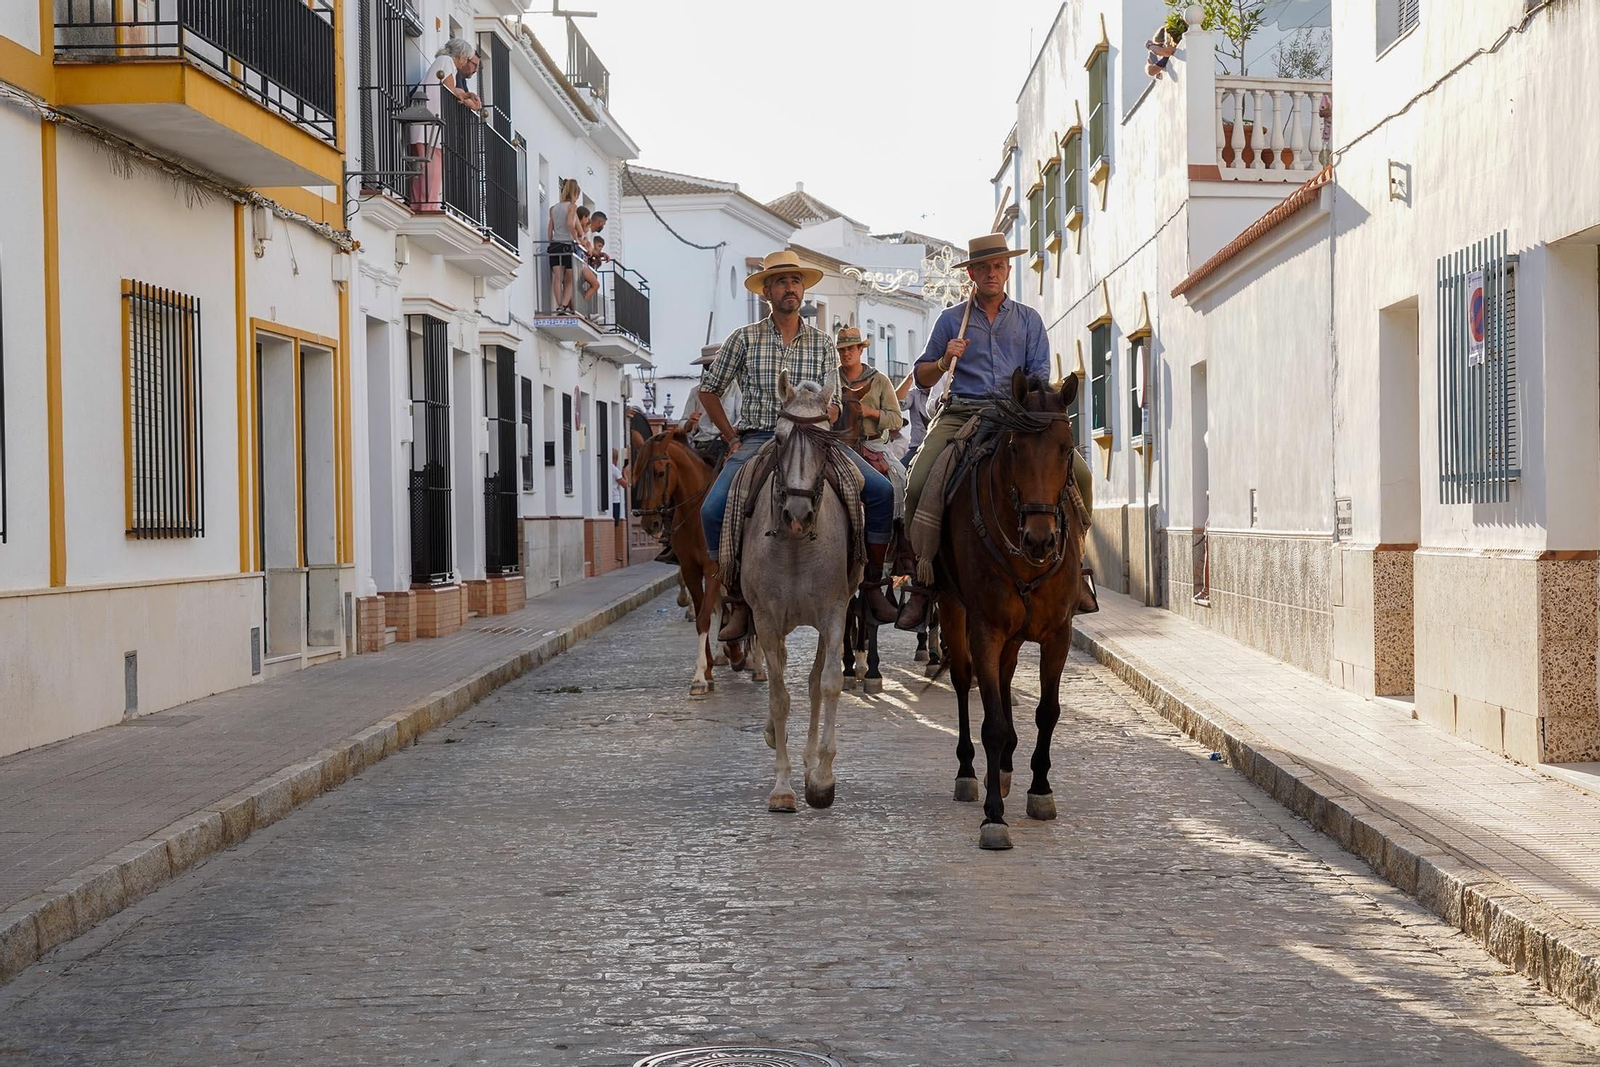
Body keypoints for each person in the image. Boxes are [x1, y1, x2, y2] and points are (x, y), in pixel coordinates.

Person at [895, 232, 1094, 630]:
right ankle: (922, 582)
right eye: (983, 267)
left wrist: (1030, 406)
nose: (991, 273)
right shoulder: (951, 319)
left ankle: (1078, 567)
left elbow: (1039, 376)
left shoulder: (1028, 320)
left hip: (1017, 415)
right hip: (962, 412)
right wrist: (945, 359)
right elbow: (921, 376)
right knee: (916, 485)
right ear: (971, 273)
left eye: (998, 266)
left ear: (1007, 270)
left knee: (1082, 476)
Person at [698, 250, 899, 641]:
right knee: (712, 509)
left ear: (803, 289)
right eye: (781, 282)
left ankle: (872, 585)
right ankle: (737, 599)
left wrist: (829, 410)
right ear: (767, 292)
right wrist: (731, 437)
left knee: (881, 491)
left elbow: (837, 400)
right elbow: (710, 391)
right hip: (760, 437)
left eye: (795, 281)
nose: (789, 288)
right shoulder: (743, 339)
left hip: (816, 438)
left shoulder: (824, 343)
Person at [835, 325, 906, 517]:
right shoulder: (831, 379)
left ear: (861, 350)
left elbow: (896, 419)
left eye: (851, 349)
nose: (846, 353)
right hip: (837, 445)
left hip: (872, 444)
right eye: (842, 350)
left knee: (900, 477)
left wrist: (870, 412)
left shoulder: (880, 380)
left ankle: (898, 530)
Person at [409, 39, 481, 211]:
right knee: (431, 170)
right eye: (468, 58)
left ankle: (420, 205)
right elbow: (450, 90)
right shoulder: (446, 61)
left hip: (426, 126)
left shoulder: (442, 63)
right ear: (461, 56)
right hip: (429, 127)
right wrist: (466, 99)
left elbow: (452, 89)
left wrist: (467, 95)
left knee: (424, 168)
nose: (466, 63)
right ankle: (428, 207)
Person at [682, 344, 741, 469]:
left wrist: (733, 431)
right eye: (708, 367)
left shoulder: (737, 389)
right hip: (702, 445)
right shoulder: (696, 392)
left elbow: (742, 418)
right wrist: (689, 423)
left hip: (726, 445)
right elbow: (682, 424)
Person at [548, 178, 580, 313]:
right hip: (567, 245)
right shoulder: (572, 207)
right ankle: (564, 306)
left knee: (557, 278)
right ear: (575, 193)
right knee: (571, 278)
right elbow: (570, 224)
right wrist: (576, 238)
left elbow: (550, 229)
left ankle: (559, 305)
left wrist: (550, 243)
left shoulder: (553, 208)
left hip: (555, 245)